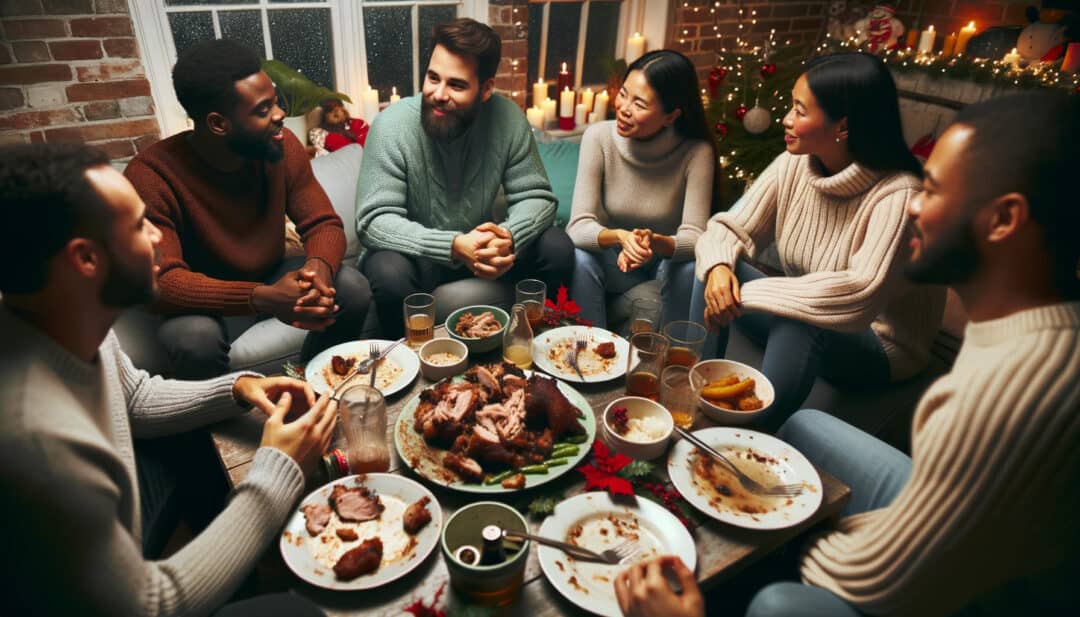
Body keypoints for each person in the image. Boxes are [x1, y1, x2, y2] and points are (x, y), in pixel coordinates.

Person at [619, 91, 1080, 617]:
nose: (915, 204)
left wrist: (785, 534)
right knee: (803, 430)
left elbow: (881, 581)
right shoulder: (1027, 318)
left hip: (985, 597)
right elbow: (726, 229)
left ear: (1003, 220)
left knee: (774, 603)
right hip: (981, 528)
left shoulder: (1002, 396)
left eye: (933, 190)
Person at [0, 143, 336, 617]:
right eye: (140, 225)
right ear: (86, 260)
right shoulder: (38, 442)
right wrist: (278, 467)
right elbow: (150, 604)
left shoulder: (65, 320)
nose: (159, 237)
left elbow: (134, 396)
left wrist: (238, 388)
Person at [690, 52, 945, 430]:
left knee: (802, 317)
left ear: (842, 126)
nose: (786, 120)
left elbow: (859, 293)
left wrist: (748, 295)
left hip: (879, 344)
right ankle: (696, 392)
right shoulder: (795, 162)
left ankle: (753, 433)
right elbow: (727, 229)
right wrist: (718, 272)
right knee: (713, 266)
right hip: (809, 310)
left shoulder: (899, 194)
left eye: (799, 110)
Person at [125, 39, 371, 379]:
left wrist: (319, 272)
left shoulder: (282, 146)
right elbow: (164, 283)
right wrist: (262, 298)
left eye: (276, 102)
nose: (280, 115)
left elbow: (323, 224)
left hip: (270, 273)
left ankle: (311, 384)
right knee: (193, 340)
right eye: (263, 109)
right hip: (203, 299)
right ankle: (215, 429)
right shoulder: (151, 176)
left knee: (352, 288)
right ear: (218, 124)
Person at [355, 18, 574, 337]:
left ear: (486, 89)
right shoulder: (391, 127)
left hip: (482, 254)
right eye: (432, 78)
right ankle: (409, 368)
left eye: (456, 85)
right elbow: (373, 221)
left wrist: (507, 236)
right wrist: (455, 245)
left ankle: (536, 344)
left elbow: (538, 198)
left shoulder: (508, 118)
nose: (438, 94)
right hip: (417, 261)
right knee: (386, 269)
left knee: (556, 246)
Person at [567, 50, 715, 328]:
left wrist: (656, 242)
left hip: (664, 266)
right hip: (616, 262)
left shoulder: (697, 152)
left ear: (671, 116)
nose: (623, 107)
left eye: (640, 103)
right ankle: (586, 350)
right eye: (623, 94)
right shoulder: (598, 137)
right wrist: (620, 237)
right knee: (580, 256)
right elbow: (577, 227)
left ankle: (669, 361)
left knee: (688, 268)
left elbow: (696, 236)